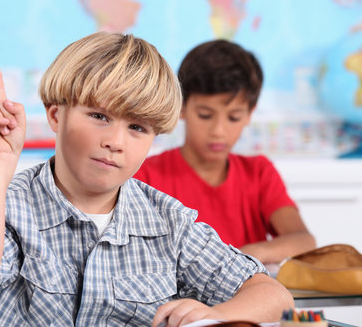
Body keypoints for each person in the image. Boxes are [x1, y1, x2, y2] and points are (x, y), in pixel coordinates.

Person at [0, 32, 293, 327]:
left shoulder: (170, 222)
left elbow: (274, 297)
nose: (116, 141)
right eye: (99, 117)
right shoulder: (5, 205)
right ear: (56, 114)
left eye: (138, 128)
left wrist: (217, 316)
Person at [134, 39, 316, 264]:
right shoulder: (145, 176)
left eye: (234, 117)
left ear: (250, 113)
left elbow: (303, 241)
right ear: (181, 108)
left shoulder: (259, 173)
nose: (218, 131)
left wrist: (246, 256)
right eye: (205, 115)